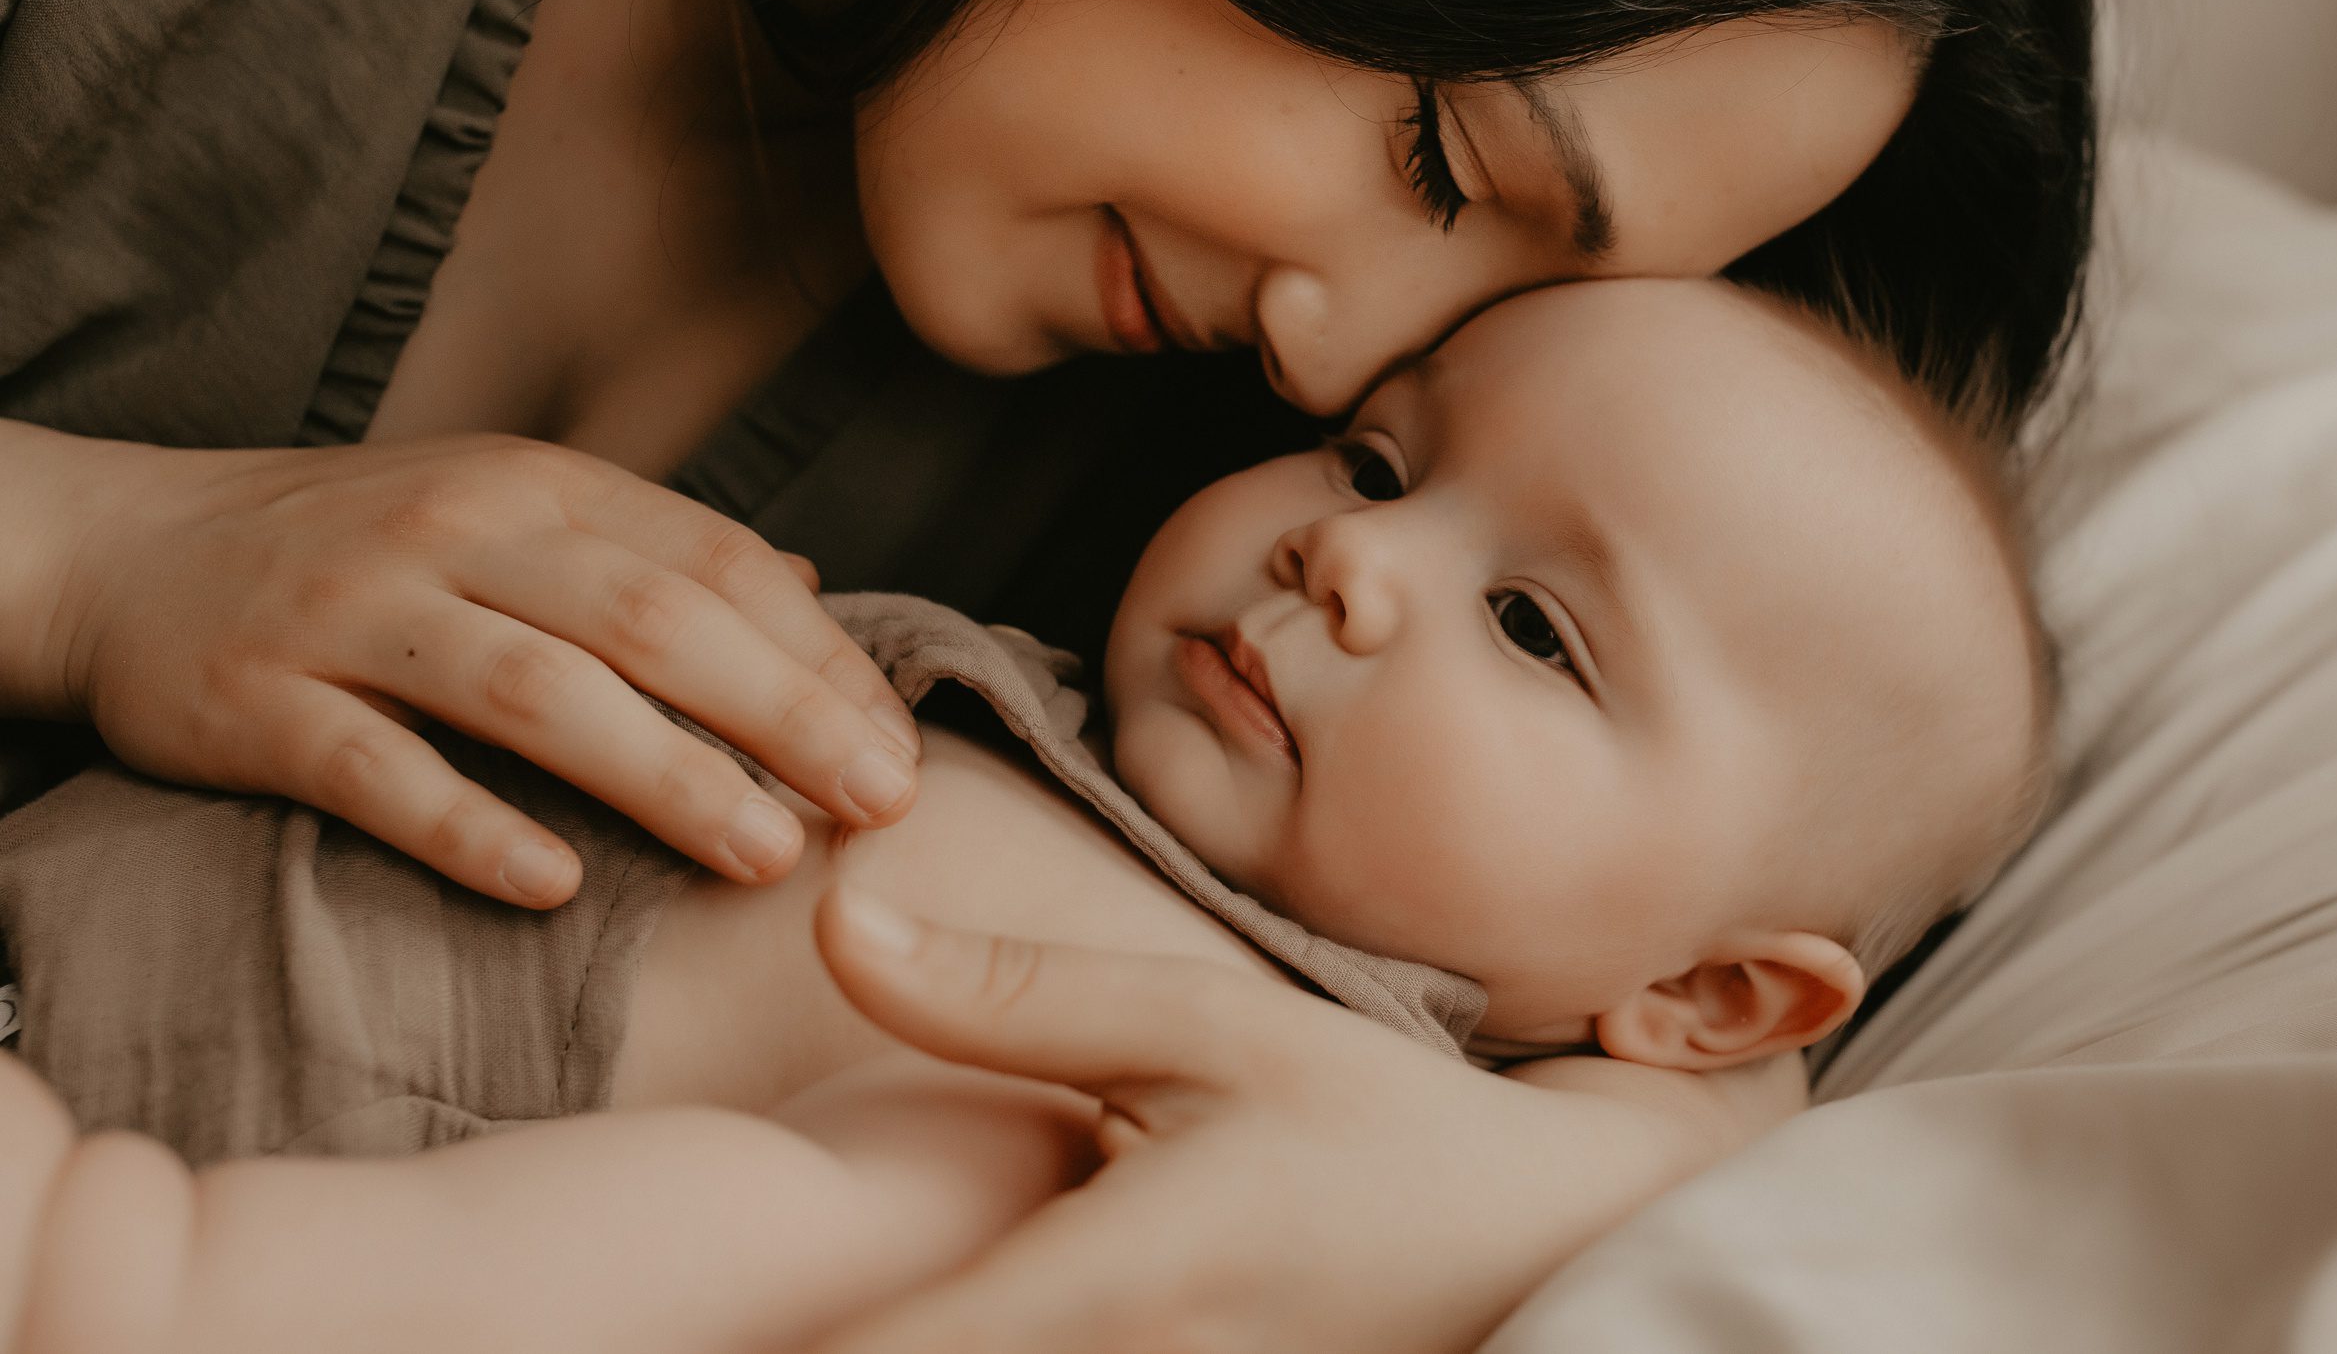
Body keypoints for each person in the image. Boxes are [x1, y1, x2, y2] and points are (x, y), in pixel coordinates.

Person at [0, 0, 2094, 1343]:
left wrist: (1573, 1182)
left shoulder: (1164, 495)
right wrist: (87, 562)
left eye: (1515, 299)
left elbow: (1718, 864)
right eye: (1448, 160)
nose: (1325, 359)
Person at [0, 277, 2054, 1349]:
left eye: (1530, 628)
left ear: (1703, 996)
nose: (1355, 563)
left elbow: (612, 1292)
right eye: (1370, 462)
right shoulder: (1057, 720)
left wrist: (101, 1269)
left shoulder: (1163, 1116)